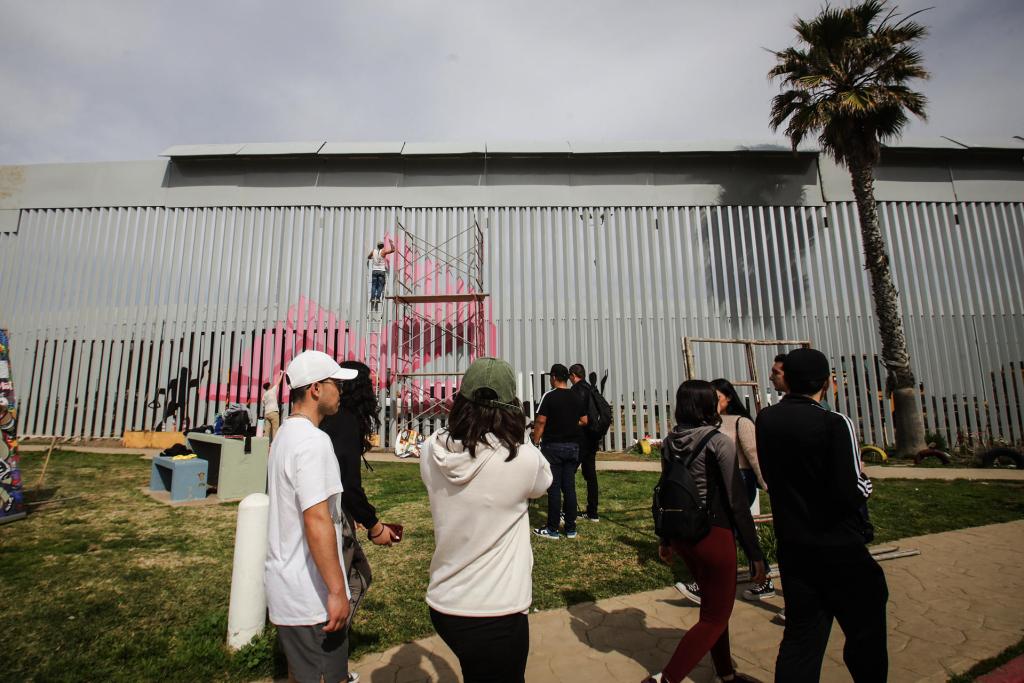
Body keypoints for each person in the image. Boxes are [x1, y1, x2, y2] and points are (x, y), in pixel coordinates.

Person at [757, 348, 886, 682]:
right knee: (865, 635)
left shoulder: (767, 419)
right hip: (838, 544)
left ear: (787, 379)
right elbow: (852, 490)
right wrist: (867, 485)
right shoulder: (834, 422)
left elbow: (771, 476)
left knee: (801, 639)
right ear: (827, 382)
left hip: (794, 545)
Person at [420, 357, 552, 683]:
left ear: (461, 401)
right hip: (495, 610)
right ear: (512, 407)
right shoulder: (523, 459)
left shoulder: (430, 450)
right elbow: (543, 486)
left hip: (445, 602)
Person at [644, 380, 766, 683]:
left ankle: (725, 674)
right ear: (707, 405)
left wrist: (665, 539)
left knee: (714, 606)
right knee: (715, 617)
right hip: (714, 534)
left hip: (684, 534)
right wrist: (755, 554)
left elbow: (668, 491)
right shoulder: (718, 441)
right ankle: (666, 679)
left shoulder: (671, 440)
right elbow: (736, 501)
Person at [264, 350, 359, 683]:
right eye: (336, 383)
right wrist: (336, 591)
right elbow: (316, 519)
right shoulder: (314, 443)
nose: (341, 392)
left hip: (287, 589)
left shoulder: (285, 437)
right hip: (311, 599)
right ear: (316, 389)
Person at [319, 361, 400, 642]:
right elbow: (349, 485)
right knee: (348, 580)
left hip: (326, 509)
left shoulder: (329, 419)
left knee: (358, 574)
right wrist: (374, 526)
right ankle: (326, 645)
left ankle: (331, 639)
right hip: (333, 515)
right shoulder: (346, 422)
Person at [531, 363, 587, 539]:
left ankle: (552, 528)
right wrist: (570, 423)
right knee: (569, 487)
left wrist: (536, 441)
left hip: (553, 446)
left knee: (554, 487)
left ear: (554, 377)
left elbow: (540, 421)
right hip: (573, 446)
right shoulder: (576, 396)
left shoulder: (549, 396)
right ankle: (570, 528)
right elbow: (585, 420)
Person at [569, 363, 600, 522]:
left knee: (569, 472)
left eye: (570, 376)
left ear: (573, 375)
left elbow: (582, 419)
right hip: (593, 437)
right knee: (590, 475)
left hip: (581, 439)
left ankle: (569, 511)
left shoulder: (576, 391)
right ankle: (592, 512)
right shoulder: (591, 388)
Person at [367, 240, 395, 310]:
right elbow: (393, 250)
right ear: (383, 246)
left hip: (374, 271)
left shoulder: (373, 251)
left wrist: (373, 257)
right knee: (380, 285)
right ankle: (378, 298)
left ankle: (373, 298)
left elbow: (369, 257)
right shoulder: (384, 252)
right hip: (381, 271)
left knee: (373, 285)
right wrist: (391, 243)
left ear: (377, 246)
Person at [262, 371, 284, 442]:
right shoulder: (272, 390)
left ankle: (264, 445)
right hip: (274, 412)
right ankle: (274, 447)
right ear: (269, 386)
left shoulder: (264, 395)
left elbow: (264, 404)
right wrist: (282, 374)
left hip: (267, 413)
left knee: (267, 430)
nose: (271, 385)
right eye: (270, 385)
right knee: (275, 429)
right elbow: (278, 381)